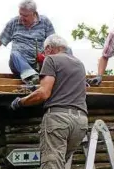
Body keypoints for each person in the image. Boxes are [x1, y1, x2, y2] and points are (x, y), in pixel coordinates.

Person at [10, 34, 88, 168]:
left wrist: (20, 102)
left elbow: (43, 93)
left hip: (59, 120)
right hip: (80, 122)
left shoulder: (51, 59)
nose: (44, 54)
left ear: (49, 48)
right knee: (60, 163)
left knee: (51, 165)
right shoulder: (79, 63)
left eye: (44, 51)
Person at [0, 0, 55, 84]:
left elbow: (53, 43)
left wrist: (45, 55)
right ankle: (32, 77)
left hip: (39, 64)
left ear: (34, 13)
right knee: (15, 54)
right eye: (20, 14)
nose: (21, 18)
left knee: (66, 50)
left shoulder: (45, 22)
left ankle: (35, 75)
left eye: (25, 16)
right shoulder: (13, 23)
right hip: (18, 64)